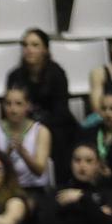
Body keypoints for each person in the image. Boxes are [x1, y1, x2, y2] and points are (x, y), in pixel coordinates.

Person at [7, 29, 76, 179]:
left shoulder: (57, 73)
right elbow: (10, 106)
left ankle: (61, 181)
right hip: (24, 124)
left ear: (45, 49)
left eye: (35, 45)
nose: (29, 49)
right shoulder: (15, 75)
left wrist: (39, 123)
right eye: (25, 45)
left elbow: (61, 110)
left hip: (56, 124)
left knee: (58, 137)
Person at [0, 86, 53, 193]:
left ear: (28, 106)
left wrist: (22, 152)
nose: (13, 109)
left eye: (18, 104)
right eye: (8, 104)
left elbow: (39, 171)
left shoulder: (41, 131)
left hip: (34, 188)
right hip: (2, 189)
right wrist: (7, 153)